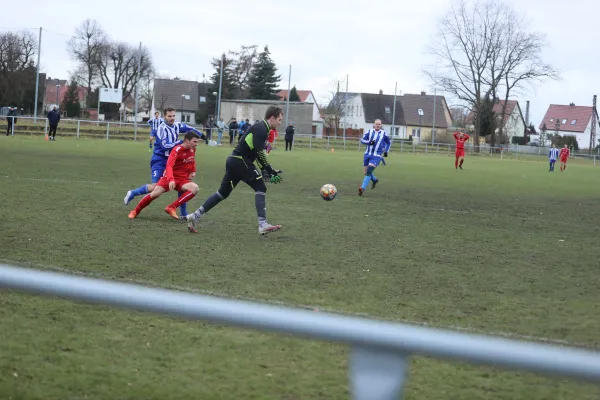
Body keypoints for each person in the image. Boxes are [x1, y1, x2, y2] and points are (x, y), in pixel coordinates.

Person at [185, 105, 284, 236]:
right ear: (272, 118)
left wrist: (265, 170)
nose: (280, 123)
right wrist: (269, 169)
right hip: (240, 161)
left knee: (222, 193)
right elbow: (259, 152)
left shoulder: (261, 128)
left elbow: (256, 152)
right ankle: (262, 224)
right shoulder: (262, 129)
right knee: (261, 188)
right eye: (280, 120)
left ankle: (195, 215)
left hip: (235, 161)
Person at [124, 107, 205, 218]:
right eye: (169, 116)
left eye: (173, 116)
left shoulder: (177, 126)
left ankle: (183, 213)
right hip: (160, 159)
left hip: (173, 159)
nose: (172, 118)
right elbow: (164, 146)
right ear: (164, 117)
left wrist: (200, 134)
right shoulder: (161, 129)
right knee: (155, 187)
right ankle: (133, 194)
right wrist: (180, 142)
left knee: (184, 182)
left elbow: (187, 127)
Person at [128, 131, 202, 219]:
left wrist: (193, 171)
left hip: (182, 179)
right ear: (187, 140)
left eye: (197, 142)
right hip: (168, 177)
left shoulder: (192, 149)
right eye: (194, 142)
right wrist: (171, 179)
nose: (196, 144)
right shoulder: (176, 150)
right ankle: (135, 211)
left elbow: (192, 159)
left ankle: (171, 207)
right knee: (155, 194)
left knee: (195, 188)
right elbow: (169, 166)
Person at [358, 119, 390, 196]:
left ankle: (362, 188)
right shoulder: (369, 131)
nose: (377, 125)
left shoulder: (384, 133)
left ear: (381, 125)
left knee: (369, 170)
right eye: (376, 124)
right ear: (374, 124)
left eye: (379, 124)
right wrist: (369, 142)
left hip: (377, 155)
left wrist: (386, 151)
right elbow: (362, 140)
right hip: (367, 154)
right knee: (366, 173)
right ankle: (375, 180)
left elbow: (388, 143)